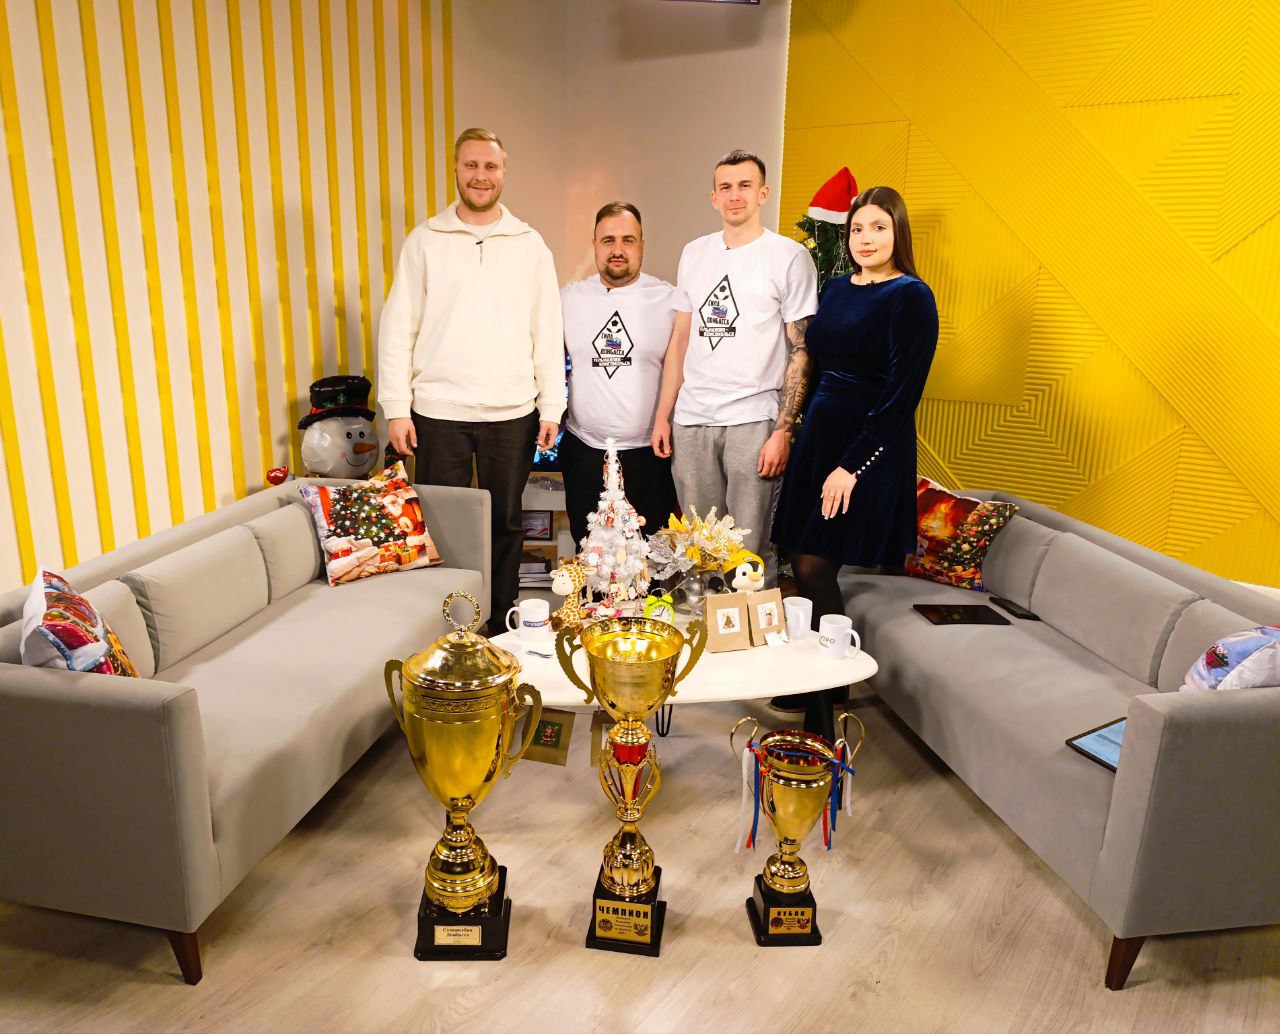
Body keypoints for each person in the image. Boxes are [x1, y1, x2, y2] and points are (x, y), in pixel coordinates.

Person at [378, 128, 564, 631]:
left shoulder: (529, 245)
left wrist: (551, 406)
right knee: (442, 526)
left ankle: (500, 628)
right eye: (471, 165)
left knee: (505, 524)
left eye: (491, 166)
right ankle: (447, 629)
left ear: (504, 172)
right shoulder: (424, 241)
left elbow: (547, 329)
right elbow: (398, 326)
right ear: (457, 169)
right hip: (437, 411)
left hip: (512, 412)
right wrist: (396, 407)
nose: (481, 176)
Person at [771, 186, 939, 722]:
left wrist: (851, 466)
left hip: (867, 447)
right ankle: (824, 685)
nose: (866, 239)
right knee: (800, 557)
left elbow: (900, 395)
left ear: (898, 233)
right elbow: (817, 365)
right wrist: (794, 431)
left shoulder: (911, 296)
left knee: (815, 565)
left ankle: (824, 708)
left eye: (878, 228)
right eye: (857, 229)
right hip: (819, 438)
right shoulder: (839, 288)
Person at [652, 149, 818, 584]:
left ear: (763, 193)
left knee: (748, 556)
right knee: (698, 553)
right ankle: (705, 626)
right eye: (725, 187)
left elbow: (801, 350)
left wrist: (783, 431)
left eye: (745, 185)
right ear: (714, 198)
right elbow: (680, 341)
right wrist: (663, 416)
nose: (735, 195)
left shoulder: (788, 256)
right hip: (692, 420)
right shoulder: (694, 253)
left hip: (753, 419)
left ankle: (753, 628)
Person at [560, 202, 679, 546]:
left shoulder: (670, 300)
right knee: (588, 553)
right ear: (594, 245)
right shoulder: (568, 298)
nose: (617, 249)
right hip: (584, 451)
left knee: (651, 554)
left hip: (650, 453)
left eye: (628, 240)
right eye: (608, 240)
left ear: (642, 244)